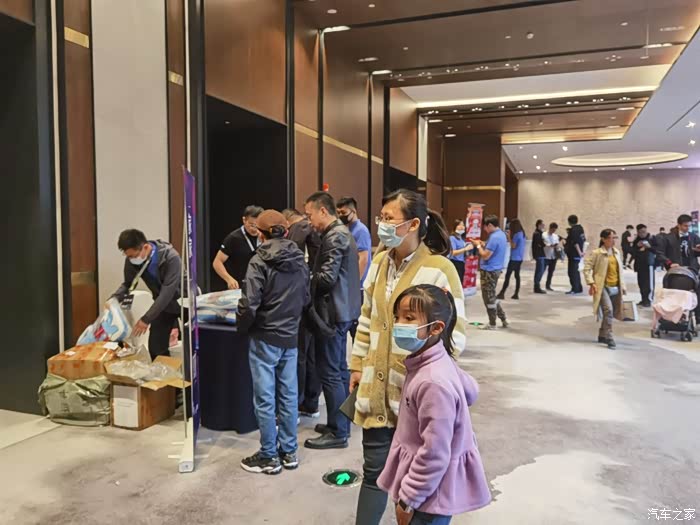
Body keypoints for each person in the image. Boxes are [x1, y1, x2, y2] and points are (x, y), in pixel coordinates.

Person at [350, 189, 467, 525]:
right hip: (375, 391)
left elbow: (455, 336)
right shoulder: (378, 263)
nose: (382, 225)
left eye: (389, 219)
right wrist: (357, 365)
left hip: (416, 396)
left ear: (413, 224)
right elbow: (367, 318)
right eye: (381, 218)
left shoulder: (439, 269)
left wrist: (427, 376)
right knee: (374, 472)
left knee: (420, 479)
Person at [377, 285, 491, 525]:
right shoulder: (435, 360)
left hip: (427, 497)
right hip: (429, 491)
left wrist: (408, 500)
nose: (399, 324)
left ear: (436, 327)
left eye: (409, 318)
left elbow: (435, 453)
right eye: (397, 317)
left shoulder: (432, 382)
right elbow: (469, 389)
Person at [236, 210, 310, 475]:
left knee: (265, 399)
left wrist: (242, 327)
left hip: (264, 337)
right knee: (288, 396)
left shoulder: (258, 261)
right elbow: (305, 297)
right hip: (290, 336)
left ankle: (269, 455)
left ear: (261, 234)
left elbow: (249, 303)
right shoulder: (299, 259)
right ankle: (289, 452)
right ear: (286, 231)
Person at [303, 192, 361, 450]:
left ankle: (338, 432)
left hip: (333, 314)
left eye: (310, 215)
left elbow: (327, 278)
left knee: (331, 373)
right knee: (337, 370)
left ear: (323, 211)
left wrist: (306, 277)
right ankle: (339, 423)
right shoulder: (340, 233)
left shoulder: (335, 236)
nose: (309, 221)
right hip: (342, 311)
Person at [111, 229, 182, 360]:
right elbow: (128, 284)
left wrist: (146, 319)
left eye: (133, 256)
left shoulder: (171, 257)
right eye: (128, 256)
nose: (131, 259)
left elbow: (167, 292)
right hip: (163, 305)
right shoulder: (132, 260)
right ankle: (164, 372)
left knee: (193, 345)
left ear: (145, 247)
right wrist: (113, 300)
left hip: (184, 301)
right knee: (156, 348)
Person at [283, 208, 322, 418]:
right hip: (319, 302)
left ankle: (295, 405)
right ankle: (312, 403)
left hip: (300, 303)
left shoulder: (297, 232)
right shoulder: (318, 231)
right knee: (314, 354)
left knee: (299, 355)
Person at [337, 197, 373, 342]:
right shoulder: (347, 229)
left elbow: (363, 259)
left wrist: (354, 284)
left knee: (357, 328)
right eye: (339, 212)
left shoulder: (360, 230)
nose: (341, 215)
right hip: (350, 285)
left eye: (343, 212)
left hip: (358, 287)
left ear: (353, 211)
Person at [583, 229, 626, 350]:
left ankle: (602, 334)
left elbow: (620, 271)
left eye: (615, 238)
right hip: (602, 287)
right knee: (609, 310)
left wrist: (623, 286)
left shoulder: (616, 252)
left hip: (615, 286)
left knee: (610, 312)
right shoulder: (597, 253)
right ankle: (609, 336)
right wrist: (591, 282)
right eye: (611, 238)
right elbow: (587, 269)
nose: (613, 241)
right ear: (603, 239)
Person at [655, 214, 700, 320]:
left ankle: (697, 316)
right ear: (679, 225)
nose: (688, 228)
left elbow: (695, 253)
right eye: (685, 226)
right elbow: (660, 254)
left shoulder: (694, 237)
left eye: (689, 226)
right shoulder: (668, 238)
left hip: (692, 270)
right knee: (674, 294)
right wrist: (670, 263)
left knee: (696, 292)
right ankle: (671, 316)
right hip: (675, 272)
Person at [212, 205, 264, 290]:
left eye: (257, 225)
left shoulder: (265, 236)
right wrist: (229, 279)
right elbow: (217, 262)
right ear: (244, 220)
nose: (254, 229)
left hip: (260, 285)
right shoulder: (233, 238)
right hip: (239, 286)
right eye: (251, 225)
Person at [473, 215, 508, 329]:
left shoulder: (494, 237)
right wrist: (483, 244)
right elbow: (492, 248)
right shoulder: (501, 234)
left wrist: (478, 246)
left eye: (485, 227)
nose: (484, 229)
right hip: (496, 269)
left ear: (490, 225)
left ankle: (492, 323)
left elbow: (485, 255)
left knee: (488, 298)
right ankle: (503, 318)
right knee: (492, 295)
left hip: (489, 271)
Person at [497, 218, 526, 300]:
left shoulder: (516, 235)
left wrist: (509, 236)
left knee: (508, 276)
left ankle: (502, 293)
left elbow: (513, 246)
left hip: (514, 258)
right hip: (520, 258)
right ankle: (516, 293)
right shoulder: (522, 234)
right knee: (517, 275)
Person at [632, 224, 656, 308]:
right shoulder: (636, 240)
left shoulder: (652, 239)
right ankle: (643, 299)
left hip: (648, 264)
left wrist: (649, 247)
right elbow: (632, 252)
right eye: (640, 232)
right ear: (637, 232)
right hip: (639, 265)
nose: (642, 234)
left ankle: (648, 300)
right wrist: (637, 246)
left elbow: (657, 250)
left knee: (649, 284)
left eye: (644, 232)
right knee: (641, 283)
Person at [565, 214, 586, 295]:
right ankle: (579, 288)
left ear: (569, 222)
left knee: (572, 272)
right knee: (575, 271)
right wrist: (581, 251)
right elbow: (583, 240)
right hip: (577, 254)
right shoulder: (580, 228)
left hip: (574, 254)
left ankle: (575, 289)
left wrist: (579, 252)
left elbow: (575, 242)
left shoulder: (573, 230)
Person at [542, 222, 561, 292]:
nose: (553, 231)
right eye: (553, 229)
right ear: (550, 228)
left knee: (551, 272)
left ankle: (548, 285)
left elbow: (557, 244)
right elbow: (544, 243)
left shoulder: (555, 236)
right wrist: (549, 245)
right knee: (542, 270)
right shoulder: (544, 235)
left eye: (555, 230)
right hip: (546, 255)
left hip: (553, 256)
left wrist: (557, 248)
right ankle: (537, 284)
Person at [531, 219, 547, 294]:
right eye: (542, 224)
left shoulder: (540, 233)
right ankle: (537, 286)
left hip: (541, 253)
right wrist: (545, 244)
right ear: (539, 225)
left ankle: (537, 285)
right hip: (539, 254)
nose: (543, 226)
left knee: (541, 269)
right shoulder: (537, 234)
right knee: (540, 270)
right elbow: (539, 244)